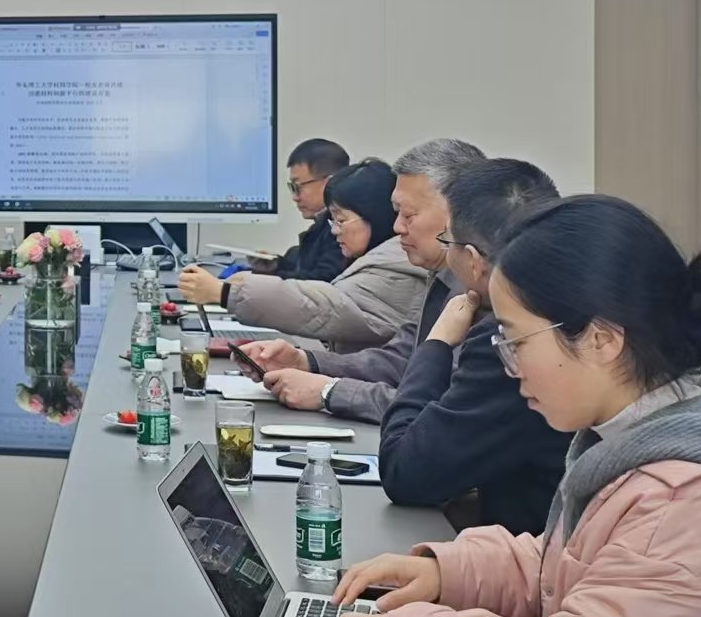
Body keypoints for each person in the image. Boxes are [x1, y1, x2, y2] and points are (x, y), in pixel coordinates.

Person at [328, 196, 701, 617]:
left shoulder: (690, 508)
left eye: (516, 341)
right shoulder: (647, 437)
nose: (510, 366)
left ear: (601, 339)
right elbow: (585, 571)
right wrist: (451, 574)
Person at [375, 158, 571, 533]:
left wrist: (438, 342)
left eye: (449, 242)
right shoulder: (572, 306)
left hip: (530, 554)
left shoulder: (509, 339)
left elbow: (405, 471)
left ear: (475, 260)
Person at [240, 137, 485, 419]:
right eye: (397, 214)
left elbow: (444, 408)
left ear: (458, 214)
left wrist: (329, 391)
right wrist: (307, 362)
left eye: (408, 215)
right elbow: (401, 360)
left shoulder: (485, 288)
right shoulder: (442, 276)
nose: (397, 227)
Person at [179, 159, 425, 351]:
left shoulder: (395, 269)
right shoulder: (379, 258)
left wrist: (226, 292)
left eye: (341, 220)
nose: (335, 231)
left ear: (375, 216)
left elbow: (322, 307)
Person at [248, 138, 350, 282]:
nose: (295, 197)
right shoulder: (321, 225)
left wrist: (267, 280)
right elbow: (310, 269)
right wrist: (277, 265)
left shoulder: (342, 229)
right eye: (292, 188)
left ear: (329, 183)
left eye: (298, 187)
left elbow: (323, 280)